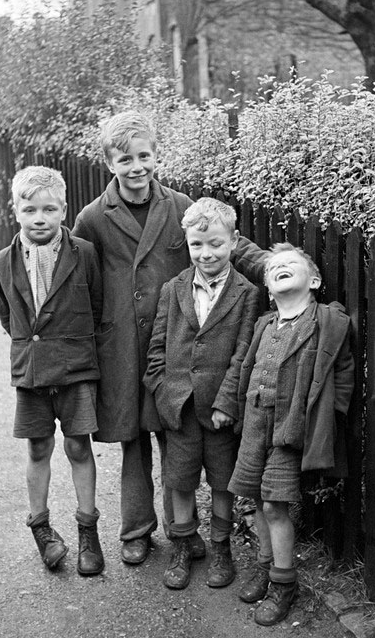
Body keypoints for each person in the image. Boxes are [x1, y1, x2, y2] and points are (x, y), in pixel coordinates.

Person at [72, 110, 267, 565]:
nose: (136, 167)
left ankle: (184, 531)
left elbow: (228, 243)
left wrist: (278, 267)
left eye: (144, 156)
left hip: (176, 341)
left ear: (156, 155)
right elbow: (75, 271)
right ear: (109, 163)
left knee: (175, 431)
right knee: (132, 437)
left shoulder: (179, 205)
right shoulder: (94, 217)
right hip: (121, 344)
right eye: (125, 159)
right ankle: (136, 529)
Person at [228, 242, 354, 626]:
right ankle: (266, 567)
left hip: (290, 428)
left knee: (274, 504)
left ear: (313, 280)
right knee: (251, 496)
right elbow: (249, 366)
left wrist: (328, 415)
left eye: (290, 265)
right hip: (254, 421)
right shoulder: (265, 323)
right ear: (267, 287)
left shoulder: (325, 322)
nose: (280, 267)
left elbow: (343, 373)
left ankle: (284, 583)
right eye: (273, 268)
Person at [0, 166, 105, 576]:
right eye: (30, 209)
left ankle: (87, 534)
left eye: (49, 209)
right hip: (31, 373)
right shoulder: (2, 262)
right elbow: (7, 315)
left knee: (78, 447)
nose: (40, 218)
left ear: (63, 210)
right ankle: (41, 529)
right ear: (16, 211)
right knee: (38, 448)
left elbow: (96, 306)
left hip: (75, 369)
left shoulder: (85, 254)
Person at [143, 198, 259, 590]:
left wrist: (228, 401)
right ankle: (182, 544)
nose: (206, 253)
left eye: (215, 244)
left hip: (220, 410)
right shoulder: (173, 289)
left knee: (224, 481)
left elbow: (244, 353)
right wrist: (161, 390)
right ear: (187, 243)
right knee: (180, 478)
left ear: (234, 241)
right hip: (179, 406)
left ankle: (221, 547)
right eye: (197, 245)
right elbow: (157, 346)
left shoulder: (246, 293)